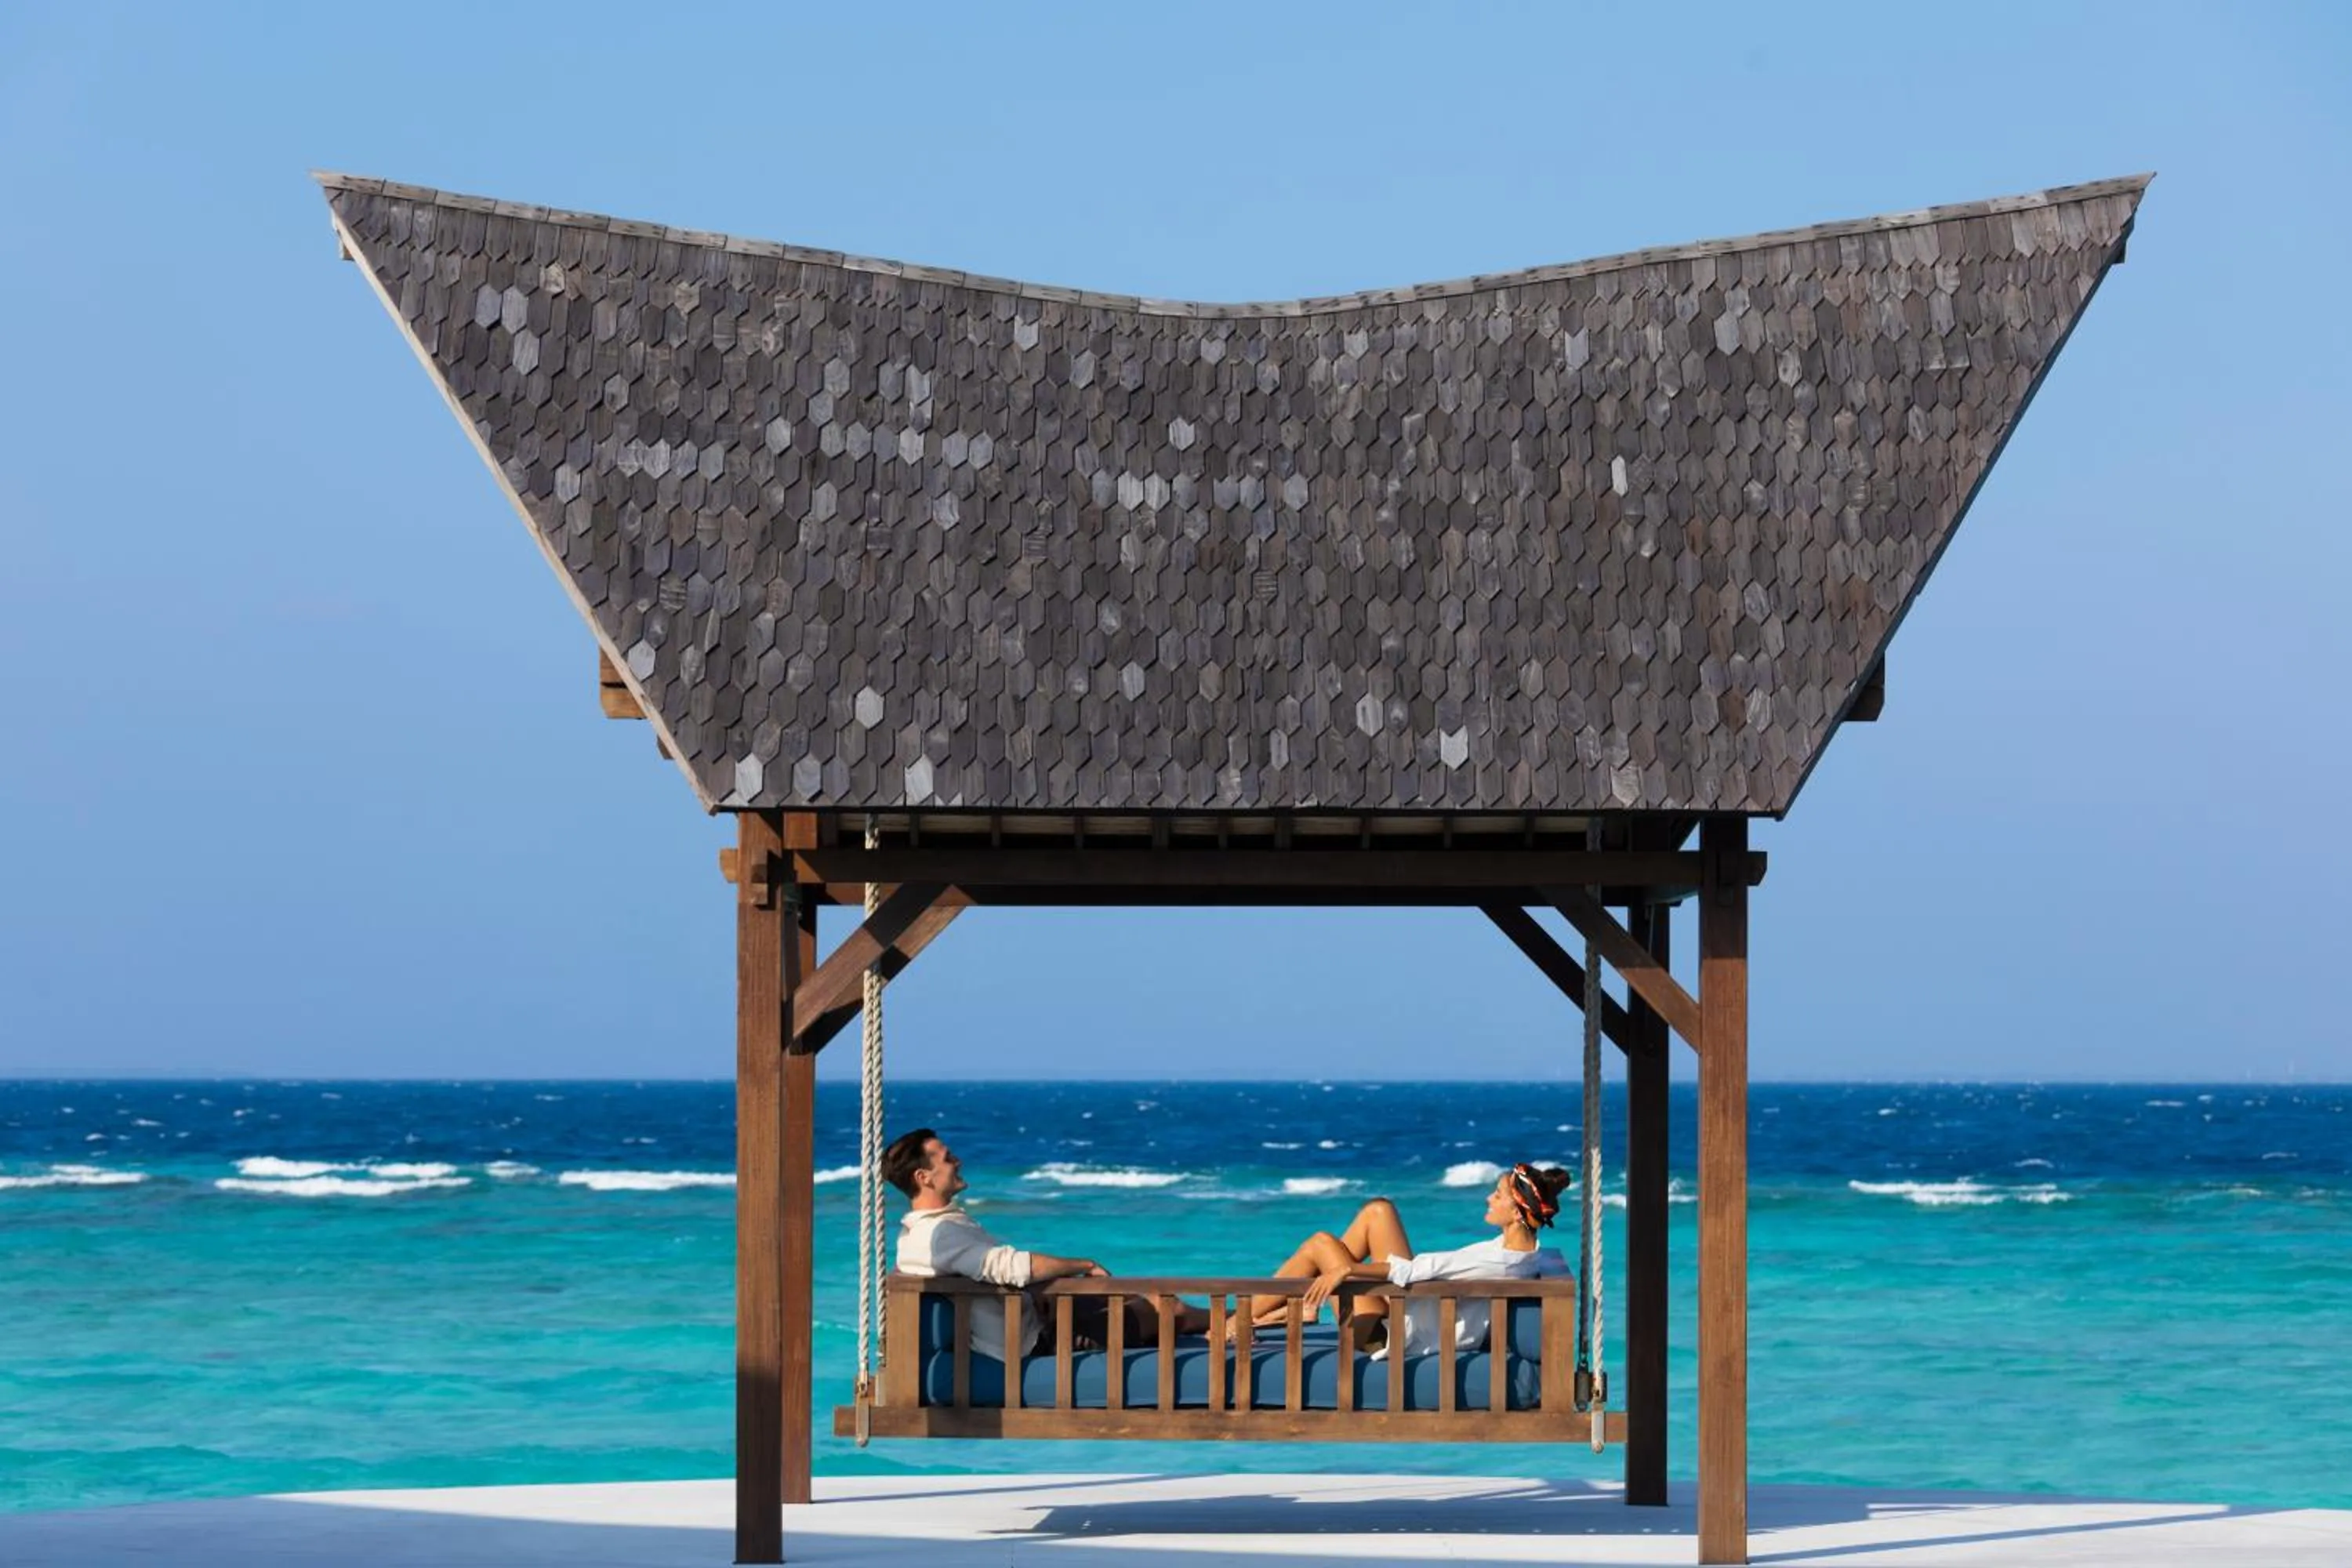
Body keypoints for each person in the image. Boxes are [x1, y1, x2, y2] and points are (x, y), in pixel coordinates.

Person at [881, 1127, 1206, 1361]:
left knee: (1136, 1297)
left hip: (1033, 1316)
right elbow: (1013, 1266)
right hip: (1033, 1343)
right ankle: (1237, 1322)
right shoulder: (938, 1235)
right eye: (948, 1158)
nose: (958, 1161)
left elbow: (990, 1273)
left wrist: (1034, 1294)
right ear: (924, 1178)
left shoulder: (919, 1233)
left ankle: (1235, 1322)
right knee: (1165, 1307)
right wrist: (1085, 1264)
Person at [1245, 1163, 1574, 1359]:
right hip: (1405, 1316)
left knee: (1322, 1244)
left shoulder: (1496, 1261)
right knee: (1379, 1211)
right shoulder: (1524, 1252)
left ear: (1517, 1212)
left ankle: (1234, 1324)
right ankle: (1304, 1303)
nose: (1489, 1198)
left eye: (1498, 1195)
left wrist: (1346, 1270)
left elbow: (1415, 1270)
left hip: (1386, 1336)